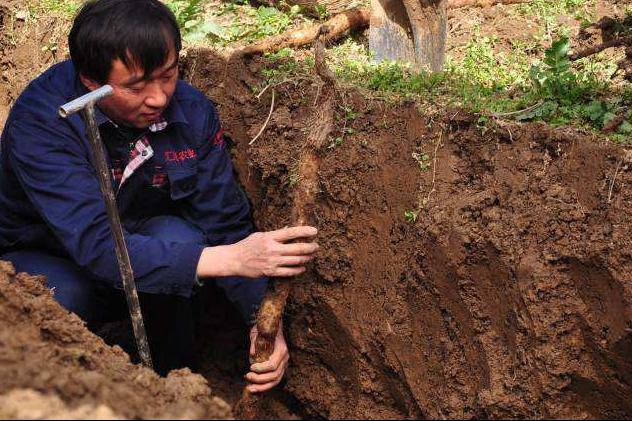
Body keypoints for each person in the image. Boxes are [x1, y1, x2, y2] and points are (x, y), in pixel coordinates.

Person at [0, 0, 319, 392]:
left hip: (148, 263)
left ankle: (173, 384)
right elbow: (99, 247)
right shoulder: (45, 123)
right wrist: (232, 259)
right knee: (56, 296)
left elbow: (227, 224)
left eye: (168, 75)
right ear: (89, 81)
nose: (158, 98)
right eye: (136, 86)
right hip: (51, 259)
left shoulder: (192, 112)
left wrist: (263, 323)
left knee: (179, 237)